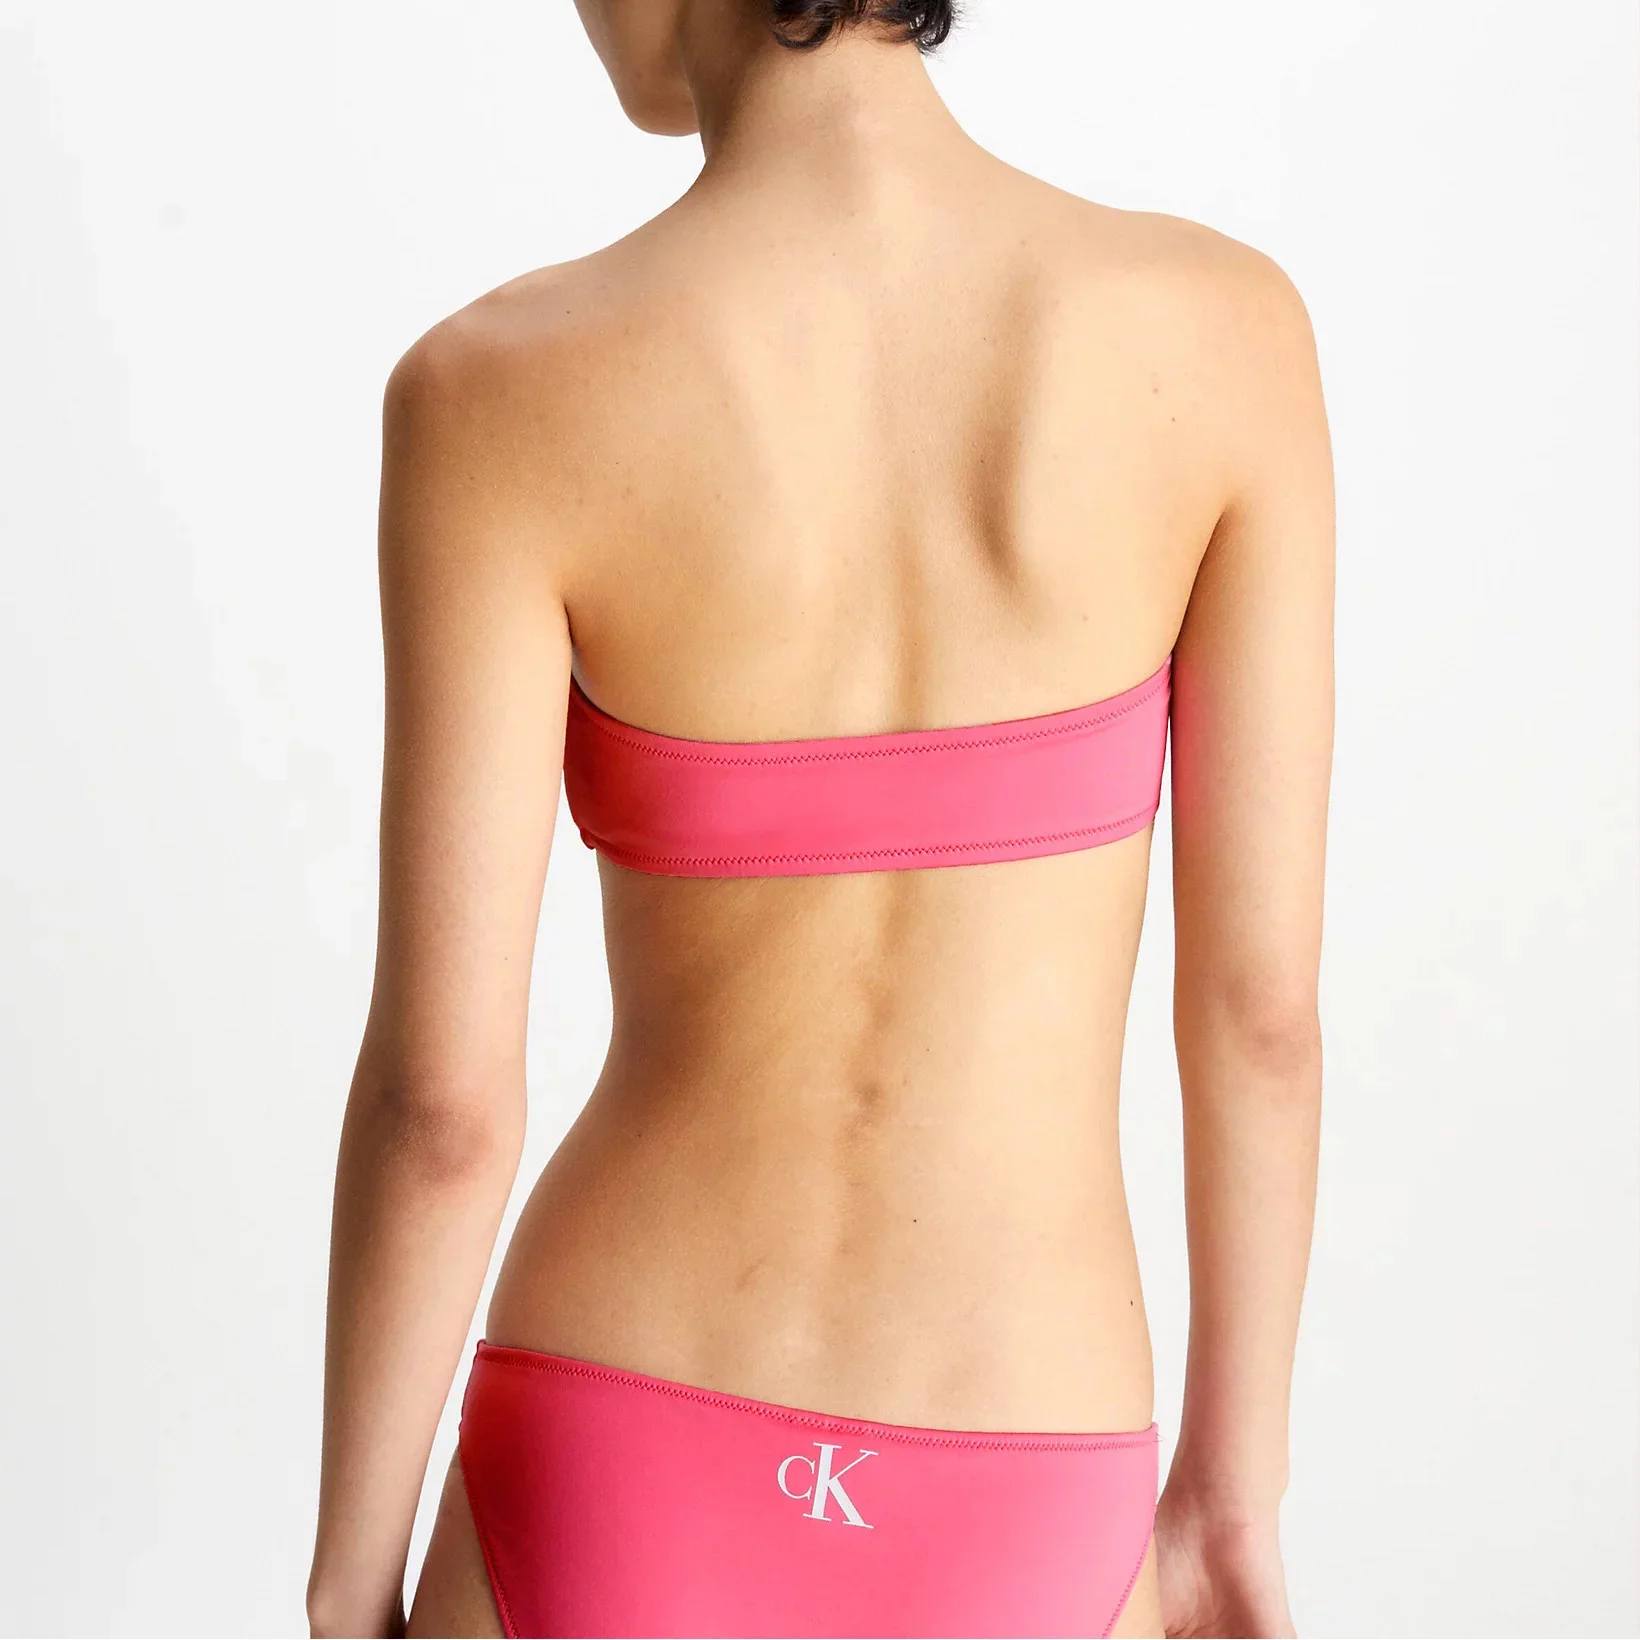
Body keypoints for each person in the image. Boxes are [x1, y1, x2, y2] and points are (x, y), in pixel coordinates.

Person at [305, 1, 1334, 1635]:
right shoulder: (1221, 335)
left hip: (615, 1430)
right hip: (1031, 1448)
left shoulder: (495, 390)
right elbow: (1259, 1017)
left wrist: (348, 1582)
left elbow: (444, 1108)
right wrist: (1230, 1495)